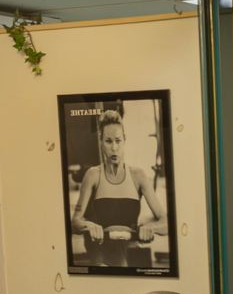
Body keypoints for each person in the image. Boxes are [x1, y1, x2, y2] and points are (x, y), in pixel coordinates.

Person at [71, 110, 167, 269]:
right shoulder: (93, 175)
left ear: (124, 140)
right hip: (102, 253)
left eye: (118, 140)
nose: (114, 147)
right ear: (101, 141)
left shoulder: (139, 176)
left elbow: (165, 222)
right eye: (108, 141)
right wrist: (89, 226)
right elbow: (75, 222)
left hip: (131, 252)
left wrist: (151, 228)